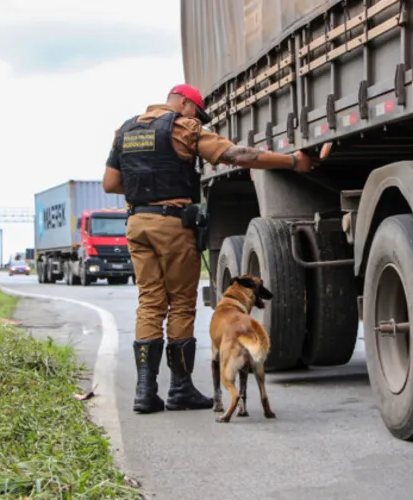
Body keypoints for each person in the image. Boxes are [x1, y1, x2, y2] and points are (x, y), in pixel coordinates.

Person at [102, 83, 315, 414]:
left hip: (137, 224)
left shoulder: (126, 130)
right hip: (171, 224)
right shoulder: (181, 128)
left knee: (149, 304)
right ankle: (180, 390)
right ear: (185, 103)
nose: (197, 119)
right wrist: (291, 162)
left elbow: (111, 184)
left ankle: (145, 393)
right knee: (182, 305)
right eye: (197, 112)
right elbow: (237, 155)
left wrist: (146, 187)